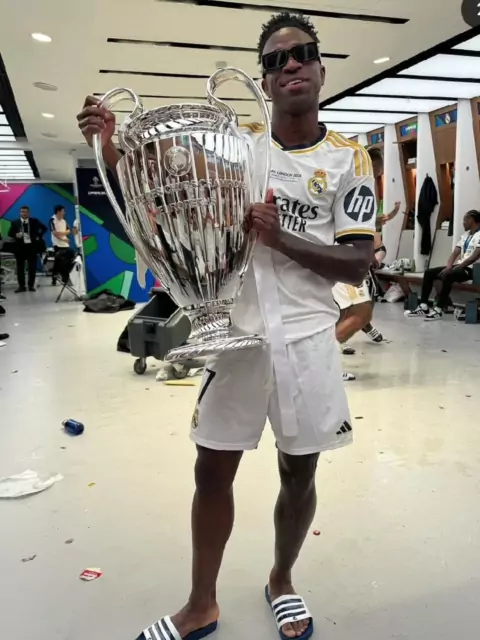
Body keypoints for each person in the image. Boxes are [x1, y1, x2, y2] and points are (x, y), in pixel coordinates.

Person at [77, 12, 375, 640]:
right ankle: (201, 604)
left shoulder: (349, 159)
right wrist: (109, 143)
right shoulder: (241, 149)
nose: (290, 65)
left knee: (299, 473)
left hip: (307, 340)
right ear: (264, 83)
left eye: (301, 53)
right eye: (274, 60)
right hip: (235, 333)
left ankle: (281, 580)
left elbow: (357, 261)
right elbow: (162, 175)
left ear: (321, 69)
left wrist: (281, 237)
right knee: (211, 470)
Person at [334, 147, 401, 358]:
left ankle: (338, 345)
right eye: (378, 170)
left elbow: (368, 228)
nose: (378, 175)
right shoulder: (354, 185)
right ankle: (332, 350)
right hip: (343, 257)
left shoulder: (365, 188)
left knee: (358, 307)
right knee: (353, 307)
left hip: (352, 257)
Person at [405, 209, 480, 321]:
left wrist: (457, 268)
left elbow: (474, 256)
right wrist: (449, 266)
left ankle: (438, 309)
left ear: (471, 220)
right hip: (459, 267)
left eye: (465, 220)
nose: (463, 223)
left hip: (473, 269)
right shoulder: (465, 235)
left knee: (447, 275)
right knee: (429, 273)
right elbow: (454, 253)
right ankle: (424, 306)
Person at [8, 206, 47, 293]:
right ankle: (21, 286)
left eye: (25, 212)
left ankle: (31, 286)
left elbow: (44, 228)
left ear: (28, 213)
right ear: (20, 213)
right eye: (22, 211)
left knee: (32, 268)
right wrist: (15, 235)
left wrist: (38, 236)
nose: (24, 213)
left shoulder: (34, 221)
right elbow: (10, 233)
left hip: (32, 247)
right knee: (20, 268)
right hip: (20, 248)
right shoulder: (15, 222)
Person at [50, 205, 74, 285]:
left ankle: (58, 276)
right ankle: (62, 278)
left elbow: (69, 230)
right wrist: (63, 237)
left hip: (65, 244)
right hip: (57, 244)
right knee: (60, 261)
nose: (64, 213)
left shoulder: (64, 220)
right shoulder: (52, 220)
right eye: (63, 211)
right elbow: (55, 233)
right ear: (58, 211)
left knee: (66, 260)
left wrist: (61, 233)